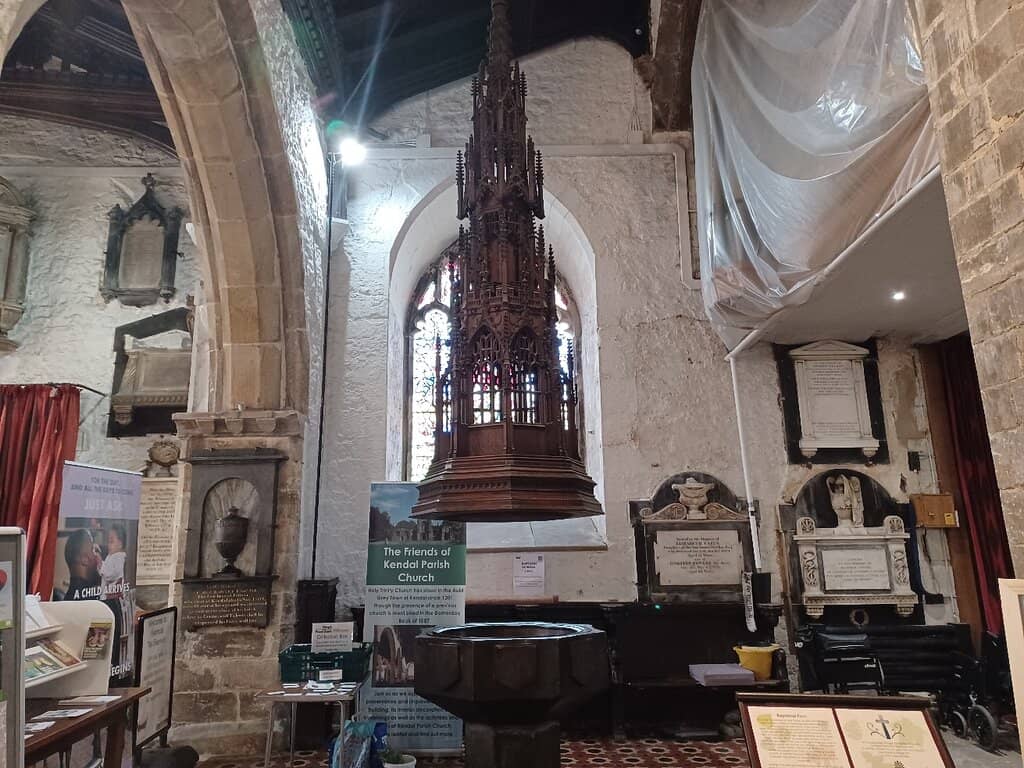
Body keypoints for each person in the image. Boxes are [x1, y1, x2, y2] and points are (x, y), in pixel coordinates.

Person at [63, 529, 101, 600]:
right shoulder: (93, 600)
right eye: (93, 550)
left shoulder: (69, 598)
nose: (97, 556)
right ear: (84, 559)